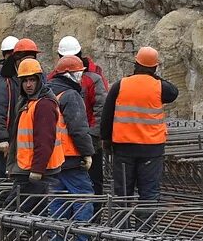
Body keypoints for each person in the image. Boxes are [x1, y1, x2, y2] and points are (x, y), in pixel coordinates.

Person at [99, 46, 178, 223]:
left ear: (136, 63)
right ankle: (144, 234)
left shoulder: (120, 85)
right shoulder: (160, 87)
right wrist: (154, 77)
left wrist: (105, 140)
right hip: (151, 149)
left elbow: (107, 114)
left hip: (124, 148)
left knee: (122, 193)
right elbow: (174, 92)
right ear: (155, 67)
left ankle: (121, 231)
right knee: (149, 193)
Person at [58, 35, 109, 199]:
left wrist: (92, 137)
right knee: (66, 185)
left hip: (88, 140)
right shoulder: (55, 78)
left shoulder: (93, 79)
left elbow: (100, 110)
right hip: (65, 143)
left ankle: (93, 218)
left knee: (93, 182)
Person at [47, 56, 96, 224]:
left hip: (53, 157)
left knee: (58, 199)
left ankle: (57, 239)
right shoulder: (71, 95)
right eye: (78, 74)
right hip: (71, 158)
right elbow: (78, 129)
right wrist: (87, 153)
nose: (81, 78)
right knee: (83, 197)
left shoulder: (48, 93)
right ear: (69, 75)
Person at [10, 58, 63, 206]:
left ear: (39, 80)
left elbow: (45, 139)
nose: (28, 84)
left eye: (32, 80)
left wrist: (38, 168)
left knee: (20, 211)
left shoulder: (44, 104)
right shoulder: (28, 102)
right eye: (25, 80)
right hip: (27, 168)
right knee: (22, 211)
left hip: (37, 171)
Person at [0, 38, 39, 177]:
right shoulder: (3, 81)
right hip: (6, 140)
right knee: (5, 178)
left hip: (20, 140)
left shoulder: (24, 78)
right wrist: (2, 138)